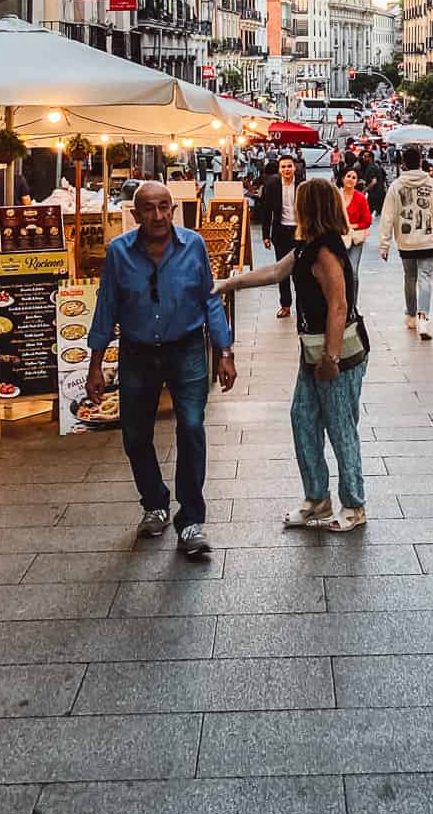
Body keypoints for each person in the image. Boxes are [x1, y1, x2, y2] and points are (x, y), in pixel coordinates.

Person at [86, 182, 236, 560]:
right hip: (137, 352)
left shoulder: (194, 246)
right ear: (136, 215)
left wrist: (225, 351)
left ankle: (190, 519)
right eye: (149, 209)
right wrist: (95, 366)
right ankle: (154, 502)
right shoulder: (119, 253)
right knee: (135, 435)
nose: (158, 216)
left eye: (164, 207)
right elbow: (106, 308)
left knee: (190, 427)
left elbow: (209, 299)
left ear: (174, 209)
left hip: (185, 348)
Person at [216, 179, 369, 533]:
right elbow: (274, 272)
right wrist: (228, 284)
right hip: (313, 351)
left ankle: (354, 504)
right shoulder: (306, 246)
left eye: (300, 202)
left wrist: (330, 359)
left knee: (340, 427)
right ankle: (317, 498)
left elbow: (339, 305)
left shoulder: (327, 250)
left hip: (336, 353)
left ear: (309, 207)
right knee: (302, 418)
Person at [379, 147, 433, 339]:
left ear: (403, 164)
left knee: (410, 278)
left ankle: (410, 315)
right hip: (428, 239)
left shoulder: (396, 186)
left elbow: (387, 216)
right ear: (421, 162)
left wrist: (384, 244)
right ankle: (424, 318)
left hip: (406, 240)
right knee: (426, 277)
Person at [259, 154, 301, 319]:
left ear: (294, 168)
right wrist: (265, 235)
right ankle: (285, 305)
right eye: (283, 167)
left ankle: (302, 304)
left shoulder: (302, 184)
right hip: (281, 231)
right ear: (279, 169)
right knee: (283, 270)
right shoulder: (272, 185)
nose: (286, 170)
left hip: (300, 232)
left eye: (289, 166)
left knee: (300, 270)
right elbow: (266, 211)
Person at [338, 165, 372, 285]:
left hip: (356, 238)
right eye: (348, 176)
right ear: (342, 178)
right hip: (339, 238)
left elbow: (367, 220)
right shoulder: (336, 197)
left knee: (353, 271)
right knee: (339, 271)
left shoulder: (360, 198)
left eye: (354, 177)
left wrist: (353, 226)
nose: (351, 179)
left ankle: (353, 303)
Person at [360, 150, 388, 216]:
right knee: (381, 213)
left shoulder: (371, 167)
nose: (363, 158)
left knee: (366, 214)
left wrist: (365, 190)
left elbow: (374, 181)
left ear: (370, 158)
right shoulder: (375, 166)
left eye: (365, 156)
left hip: (374, 195)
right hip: (379, 193)